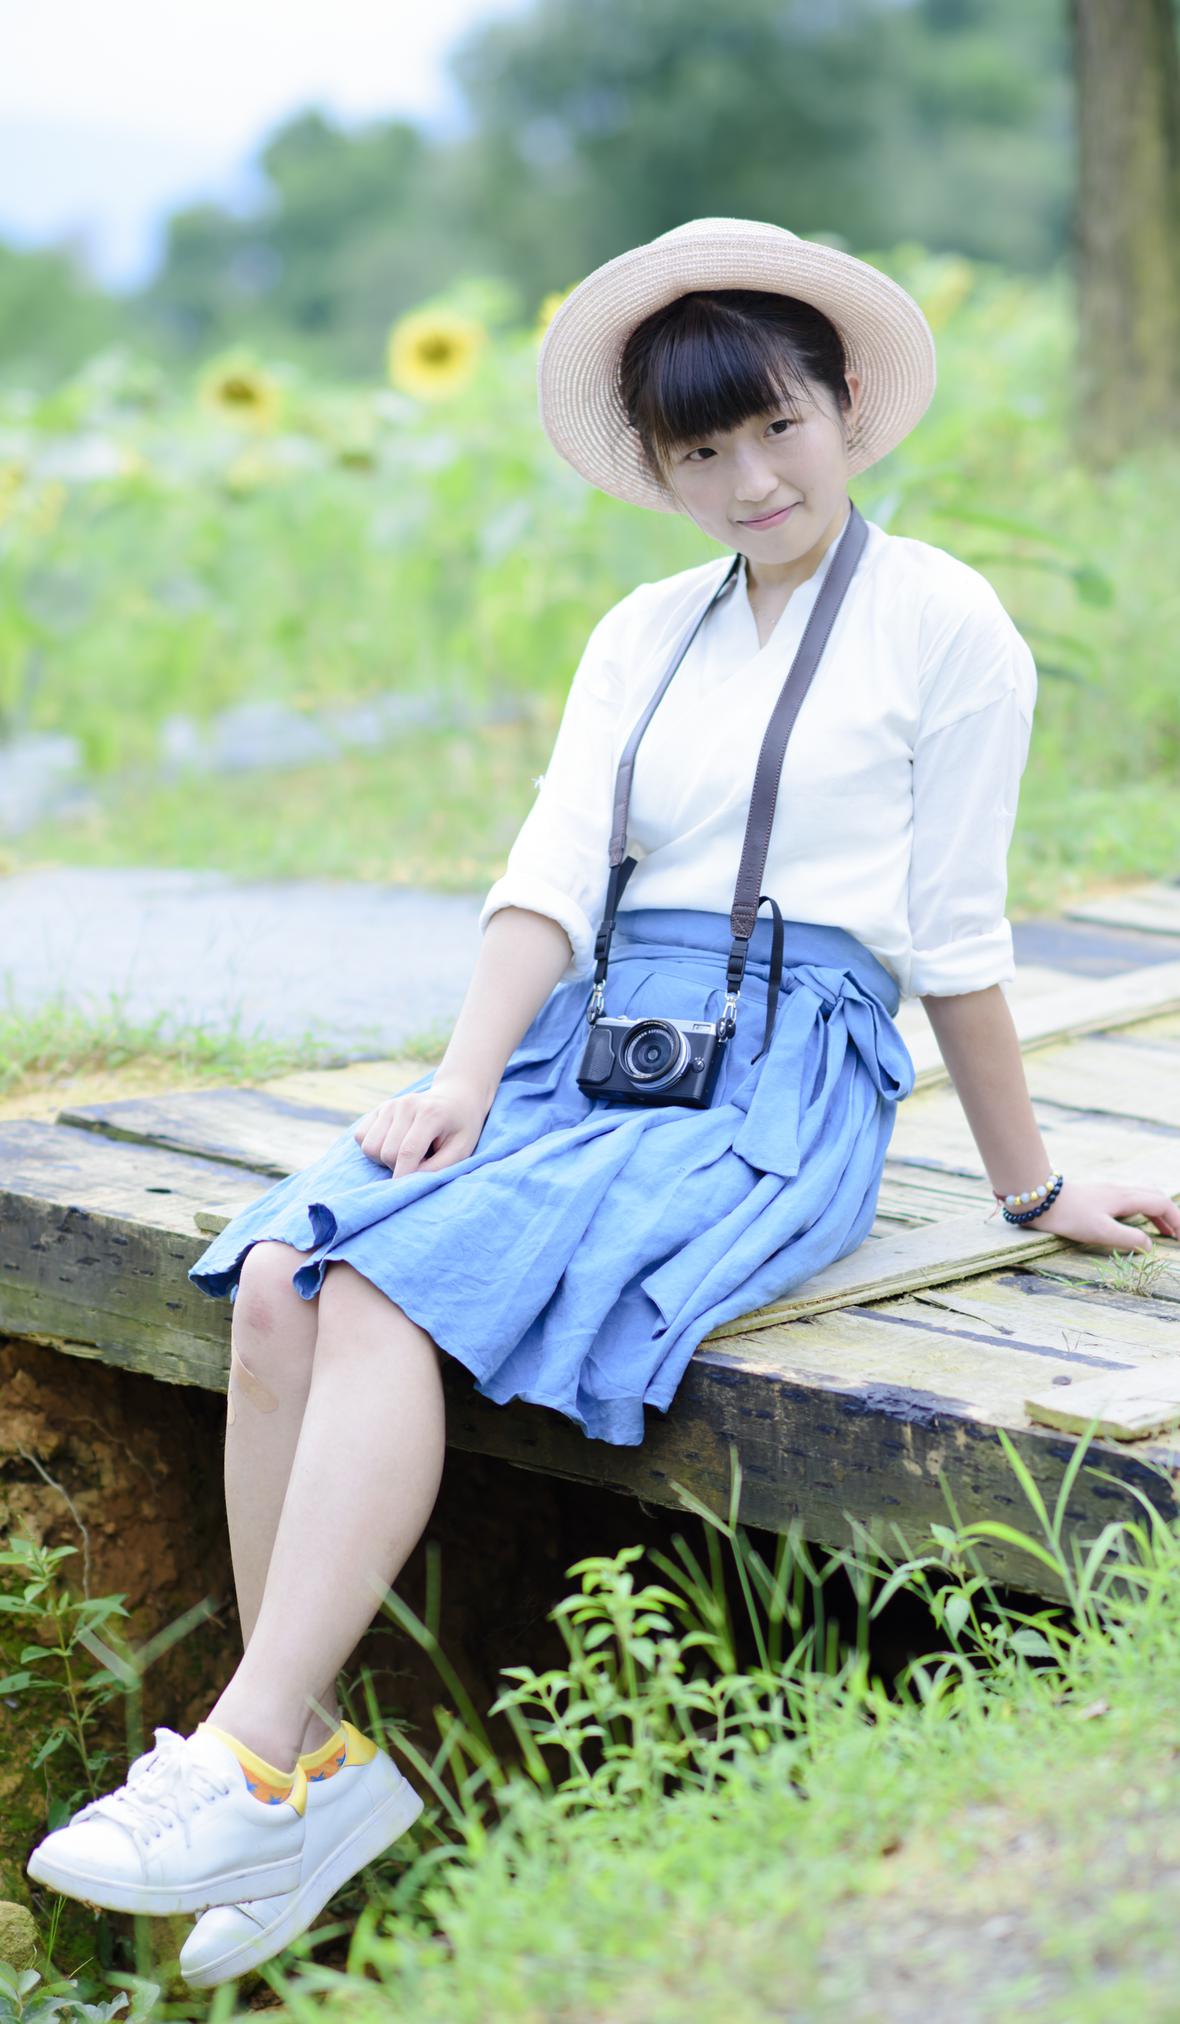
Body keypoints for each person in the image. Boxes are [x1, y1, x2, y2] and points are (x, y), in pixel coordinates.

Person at [27, 216, 1180, 1985]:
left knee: (391, 1289)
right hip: (595, 1042)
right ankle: (307, 1766)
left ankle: (244, 1756)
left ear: (848, 406)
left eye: (779, 427)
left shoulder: (948, 623)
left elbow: (956, 938)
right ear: (656, 466)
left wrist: (1031, 1193)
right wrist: (463, 1080)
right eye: (702, 451)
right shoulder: (645, 630)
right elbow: (553, 875)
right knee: (277, 1275)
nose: (752, 479)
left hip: (782, 1076)